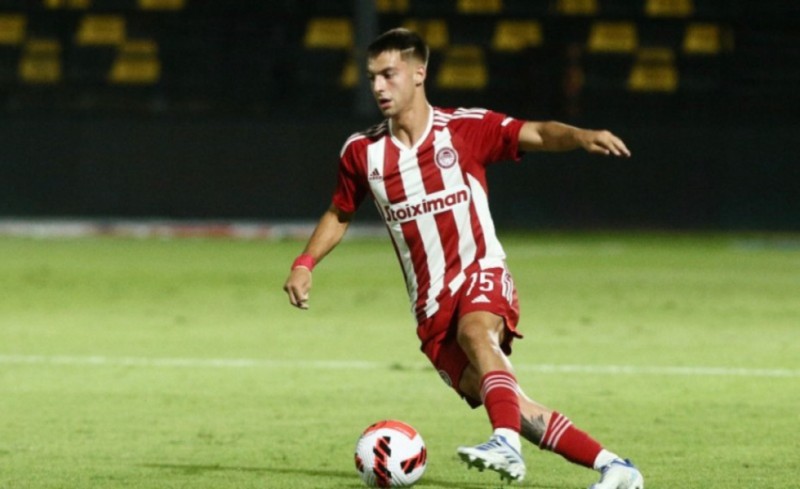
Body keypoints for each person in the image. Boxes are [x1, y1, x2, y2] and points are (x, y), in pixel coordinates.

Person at [283, 28, 643, 488]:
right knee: (512, 404)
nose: (378, 87)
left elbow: (535, 131)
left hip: (480, 272)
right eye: (372, 77)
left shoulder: (463, 129)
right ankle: (616, 468)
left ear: (419, 73)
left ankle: (504, 442)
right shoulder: (362, 152)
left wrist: (580, 135)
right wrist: (305, 263)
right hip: (431, 310)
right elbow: (340, 212)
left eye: (389, 75)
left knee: (476, 333)